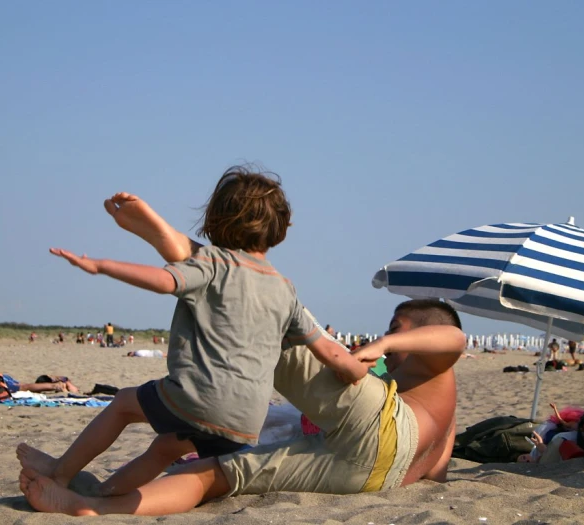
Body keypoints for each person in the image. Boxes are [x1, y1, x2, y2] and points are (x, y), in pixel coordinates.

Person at [21, 167, 367, 493]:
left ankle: (60, 474)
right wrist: (356, 369)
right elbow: (330, 351)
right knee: (165, 448)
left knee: (124, 404)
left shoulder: (215, 262)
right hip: (246, 422)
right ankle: (102, 494)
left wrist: (100, 265)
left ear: (216, 220)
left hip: (197, 397)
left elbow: (164, 281)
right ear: (282, 227)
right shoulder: (284, 288)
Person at [18, 298, 465, 516]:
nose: (386, 336)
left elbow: (454, 338)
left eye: (397, 326)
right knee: (215, 474)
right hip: (368, 474)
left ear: (419, 331)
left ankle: (198, 369)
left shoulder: (439, 365)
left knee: (274, 329)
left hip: (381, 436)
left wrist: (387, 342)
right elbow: (435, 472)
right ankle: (90, 505)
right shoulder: (438, 408)